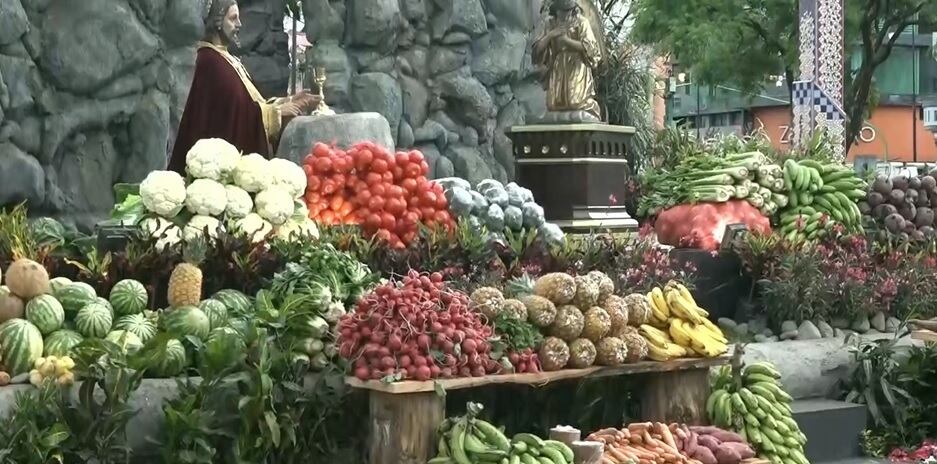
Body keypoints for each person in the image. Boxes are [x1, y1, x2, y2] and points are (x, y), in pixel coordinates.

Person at [168, 0, 319, 174]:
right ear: (218, 21)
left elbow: (248, 103)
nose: (239, 24)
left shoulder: (224, 57)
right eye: (233, 18)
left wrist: (288, 101)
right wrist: (276, 112)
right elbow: (234, 113)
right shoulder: (211, 61)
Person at [532, 0, 603, 121]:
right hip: (558, 68)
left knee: (575, 102)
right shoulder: (550, 24)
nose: (566, 15)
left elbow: (592, 49)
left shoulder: (581, 22)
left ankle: (590, 107)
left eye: (568, 11)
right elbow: (537, 51)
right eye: (562, 11)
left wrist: (567, 41)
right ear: (556, 10)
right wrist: (550, 35)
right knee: (554, 105)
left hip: (576, 67)